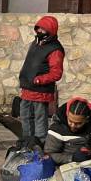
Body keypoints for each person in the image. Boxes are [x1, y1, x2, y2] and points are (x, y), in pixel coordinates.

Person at [18, 16, 64, 148]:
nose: (39, 30)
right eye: (38, 27)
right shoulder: (36, 42)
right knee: (25, 117)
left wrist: (39, 80)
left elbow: (56, 73)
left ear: (50, 30)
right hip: (27, 88)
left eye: (43, 28)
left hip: (40, 90)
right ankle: (27, 143)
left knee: (39, 120)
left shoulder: (55, 49)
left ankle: (40, 145)